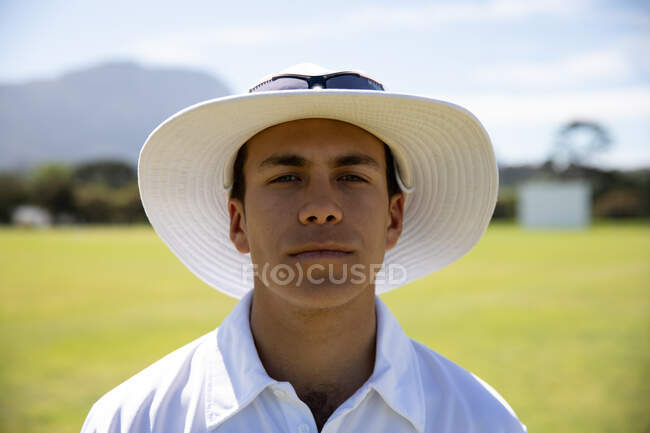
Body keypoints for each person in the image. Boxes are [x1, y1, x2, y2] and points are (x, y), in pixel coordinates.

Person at [81, 63, 528, 433]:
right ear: (238, 222)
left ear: (394, 218)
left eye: (352, 177)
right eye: (286, 178)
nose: (321, 209)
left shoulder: (482, 420)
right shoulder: (134, 419)